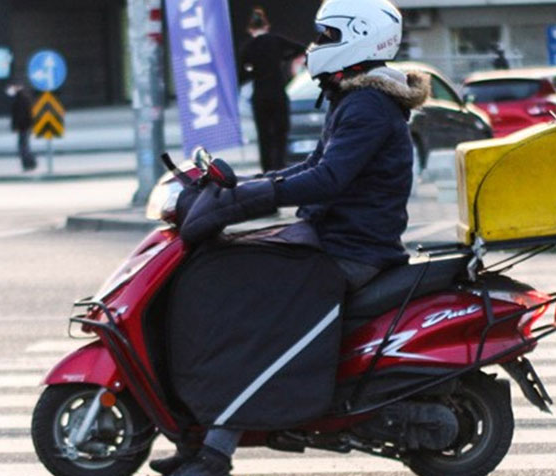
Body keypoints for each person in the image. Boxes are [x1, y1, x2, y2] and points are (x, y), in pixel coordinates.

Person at [154, 1, 429, 475]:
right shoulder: (356, 96)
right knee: (224, 275)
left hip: (352, 250)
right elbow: (312, 167)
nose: (316, 45)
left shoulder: (367, 103)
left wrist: (256, 196)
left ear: (359, 36)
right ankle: (195, 433)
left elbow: (328, 179)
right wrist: (250, 185)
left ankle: (216, 451)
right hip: (332, 237)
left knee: (252, 314)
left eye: (327, 36)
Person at [238, 7, 306, 173]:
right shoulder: (276, 40)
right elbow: (300, 48)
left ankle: (267, 169)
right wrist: (283, 59)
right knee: (280, 132)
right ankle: (280, 167)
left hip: (260, 95)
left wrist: (253, 71)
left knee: (264, 135)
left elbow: (241, 73)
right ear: (267, 26)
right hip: (277, 93)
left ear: (250, 29)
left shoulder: (248, 47)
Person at [7, 83, 37, 172]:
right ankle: (30, 163)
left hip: (23, 127)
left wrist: (16, 126)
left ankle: (29, 164)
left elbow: (20, 115)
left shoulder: (20, 99)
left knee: (23, 147)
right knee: (24, 146)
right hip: (25, 126)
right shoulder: (22, 98)